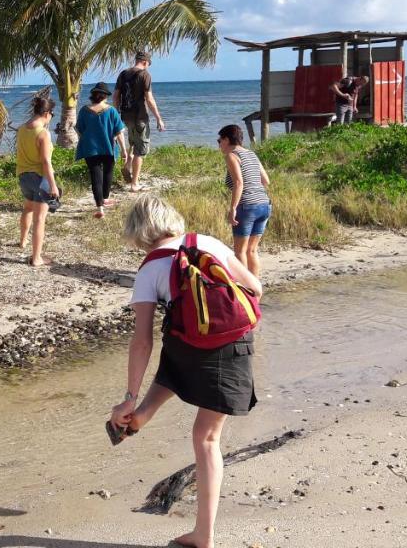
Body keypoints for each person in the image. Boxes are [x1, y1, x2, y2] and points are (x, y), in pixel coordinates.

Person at [109, 195, 263, 548]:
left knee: (176, 349)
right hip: (232, 349)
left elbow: (142, 343)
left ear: (139, 232)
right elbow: (256, 289)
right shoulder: (206, 242)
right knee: (207, 437)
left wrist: (128, 396)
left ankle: (140, 411)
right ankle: (202, 535)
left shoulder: (149, 269)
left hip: (187, 351)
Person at [218, 124, 272, 277]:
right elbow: (266, 180)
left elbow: (238, 183)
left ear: (227, 140)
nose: (219, 144)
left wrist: (233, 207)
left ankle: (244, 289)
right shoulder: (251, 154)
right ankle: (255, 291)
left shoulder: (231, 155)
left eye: (219, 140)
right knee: (252, 250)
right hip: (264, 204)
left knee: (240, 251)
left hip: (247, 206)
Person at [16, 91, 60, 267]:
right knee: (40, 218)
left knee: (27, 208)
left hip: (23, 176)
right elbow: (46, 162)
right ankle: (36, 258)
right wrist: (53, 185)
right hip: (40, 178)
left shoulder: (21, 129)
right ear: (46, 114)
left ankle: (22, 241)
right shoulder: (42, 133)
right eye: (52, 115)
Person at [112, 50, 165, 192]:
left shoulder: (123, 74)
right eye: (148, 64)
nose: (148, 66)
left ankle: (128, 166)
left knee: (133, 142)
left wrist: (116, 113)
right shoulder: (145, 75)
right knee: (140, 150)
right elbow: (149, 98)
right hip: (140, 116)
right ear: (145, 62)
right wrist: (159, 118)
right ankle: (134, 184)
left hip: (125, 115)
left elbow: (116, 96)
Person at [74, 82, 129, 219]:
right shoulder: (111, 111)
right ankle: (105, 198)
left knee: (95, 176)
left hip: (90, 148)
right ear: (105, 96)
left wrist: (87, 140)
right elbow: (119, 132)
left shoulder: (84, 110)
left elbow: (79, 130)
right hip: (108, 147)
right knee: (108, 172)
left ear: (93, 96)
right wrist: (124, 150)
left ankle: (100, 208)